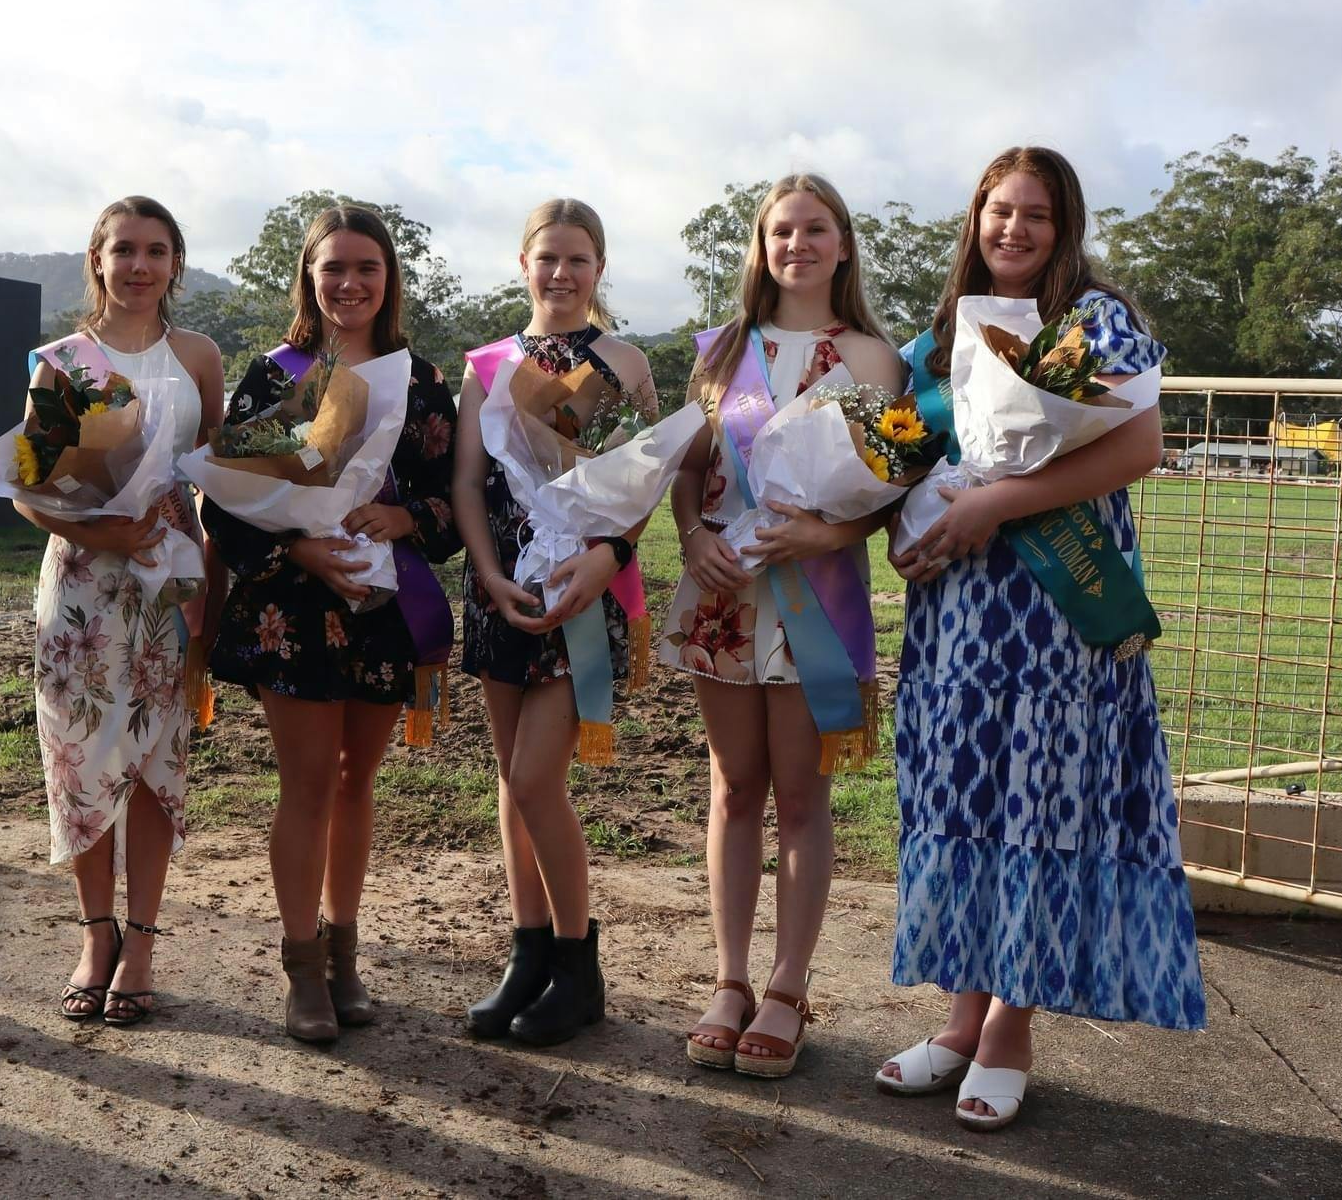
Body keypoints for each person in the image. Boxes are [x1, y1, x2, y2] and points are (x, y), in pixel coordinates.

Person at [877, 146, 1205, 1131]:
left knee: (1040, 803)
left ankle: (1007, 1031)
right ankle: (957, 1018)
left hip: (1057, 613)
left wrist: (1000, 502)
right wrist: (906, 532)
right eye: (995, 210)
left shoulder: (1093, 323)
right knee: (967, 794)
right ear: (972, 220)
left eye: (1033, 215)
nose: (1010, 229)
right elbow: (899, 455)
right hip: (960, 617)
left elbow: (1137, 446)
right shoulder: (937, 340)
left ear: (1062, 228)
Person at [201, 204, 460, 1044]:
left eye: (367, 269)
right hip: (297, 610)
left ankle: (348, 954)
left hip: (384, 607)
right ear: (309, 277)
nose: (349, 283)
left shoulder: (420, 382)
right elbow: (226, 503)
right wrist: (303, 549)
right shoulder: (277, 375)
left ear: (390, 280)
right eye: (333, 268)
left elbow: (455, 502)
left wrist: (406, 518)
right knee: (308, 785)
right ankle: (302, 962)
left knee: (358, 784)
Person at [662, 175, 902, 1077]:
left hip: (814, 600)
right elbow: (690, 469)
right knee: (732, 788)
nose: (796, 243)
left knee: (801, 797)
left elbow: (889, 499)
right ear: (761, 247)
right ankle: (729, 979)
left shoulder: (875, 361)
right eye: (780, 230)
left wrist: (825, 530)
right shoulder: (725, 352)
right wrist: (689, 536)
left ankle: (789, 987)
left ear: (843, 244)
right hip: (725, 594)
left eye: (815, 228)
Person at [453, 198, 658, 1048]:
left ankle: (578, 965)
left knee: (537, 778)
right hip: (503, 589)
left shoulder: (625, 362)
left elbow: (644, 483)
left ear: (599, 267)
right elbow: (468, 481)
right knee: (512, 781)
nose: (562, 274)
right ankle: (527, 953)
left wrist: (606, 556)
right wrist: (492, 576)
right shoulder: (489, 365)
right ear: (524, 263)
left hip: (581, 593)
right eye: (548, 259)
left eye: (578, 259)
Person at [17, 197, 222, 1028]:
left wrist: (210, 579)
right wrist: (99, 526)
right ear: (96, 259)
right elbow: (29, 491)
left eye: (157, 251)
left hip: (171, 578)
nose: (140, 265)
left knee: (152, 763)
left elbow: (215, 477)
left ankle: (141, 944)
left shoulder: (199, 355)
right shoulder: (62, 361)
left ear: (175, 263)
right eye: (124, 250)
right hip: (83, 587)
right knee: (81, 761)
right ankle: (94, 936)